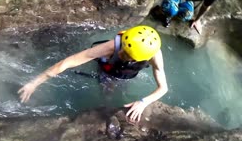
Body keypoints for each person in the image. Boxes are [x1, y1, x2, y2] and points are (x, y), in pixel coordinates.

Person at [18, 25, 168, 122]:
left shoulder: (154, 55)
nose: (121, 52)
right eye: (123, 47)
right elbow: (67, 63)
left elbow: (163, 88)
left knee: (121, 91)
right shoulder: (110, 47)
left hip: (125, 75)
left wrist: (143, 102)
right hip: (107, 72)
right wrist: (34, 83)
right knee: (107, 95)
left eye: (128, 54)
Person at [153, 0, 237, 32]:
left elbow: (205, 7)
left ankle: (170, 11)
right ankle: (159, 11)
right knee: (171, 10)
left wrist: (197, 20)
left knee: (187, 16)